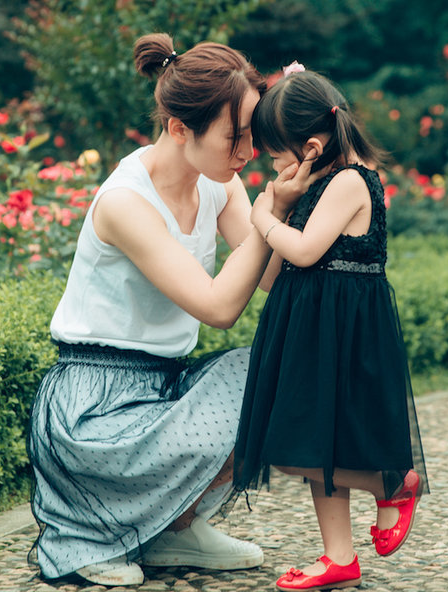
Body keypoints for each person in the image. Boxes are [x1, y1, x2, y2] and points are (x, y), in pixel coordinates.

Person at [27, 34, 321, 587]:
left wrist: (311, 198)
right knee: (263, 375)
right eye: (235, 137)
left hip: (166, 387)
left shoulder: (220, 186)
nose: (248, 152)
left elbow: (270, 276)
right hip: (94, 409)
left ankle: (173, 528)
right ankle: (93, 532)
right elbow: (218, 306)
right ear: (180, 128)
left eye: (251, 135)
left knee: (284, 372)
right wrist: (271, 211)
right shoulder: (125, 202)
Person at [232, 64, 428, 591]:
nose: (273, 166)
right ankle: (338, 556)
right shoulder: (314, 186)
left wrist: (264, 215)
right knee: (312, 443)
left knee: (312, 447)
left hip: (342, 332)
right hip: (309, 329)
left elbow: (303, 251)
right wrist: (280, 209)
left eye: (276, 155)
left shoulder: (348, 182)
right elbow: (273, 277)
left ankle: (391, 485)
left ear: (312, 147)